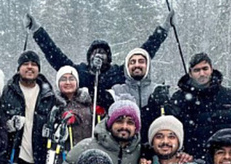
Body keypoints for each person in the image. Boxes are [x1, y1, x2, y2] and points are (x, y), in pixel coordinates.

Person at [25, 11, 173, 103]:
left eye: (102, 53)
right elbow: (55, 55)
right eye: (95, 53)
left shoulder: (118, 72)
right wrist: (37, 30)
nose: (99, 56)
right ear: (89, 57)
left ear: (109, 58)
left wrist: (163, 29)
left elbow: (143, 54)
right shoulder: (79, 71)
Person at [167, 53, 231, 160]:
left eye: (205, 68)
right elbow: (169, 128)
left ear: (211, 69)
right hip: (192, 160)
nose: (202, 73)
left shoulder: (230, 95)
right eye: (197, 70)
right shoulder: (180, 98)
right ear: (190, 73)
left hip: (226, 159)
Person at [53, 96, 142, 164]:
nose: (124, 126)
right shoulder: (86, 146)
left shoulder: (140, 152)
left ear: (136, 127)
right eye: (119, 121)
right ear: (110, 123)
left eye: (130, 122)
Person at [108, 48, 170, 138]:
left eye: (141, 61)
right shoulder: (117, 91)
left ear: (147, 65)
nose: (137, 65)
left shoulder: (158, 90)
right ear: (127, 67)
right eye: (132, 62)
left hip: (153, 144)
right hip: (125, 143)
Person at [48, 65, 93, 147]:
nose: (67, 82)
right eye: (63, 79)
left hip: (87, 149)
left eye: (71, 79)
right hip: (64, 153)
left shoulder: (88, 102)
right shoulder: (53, 104)